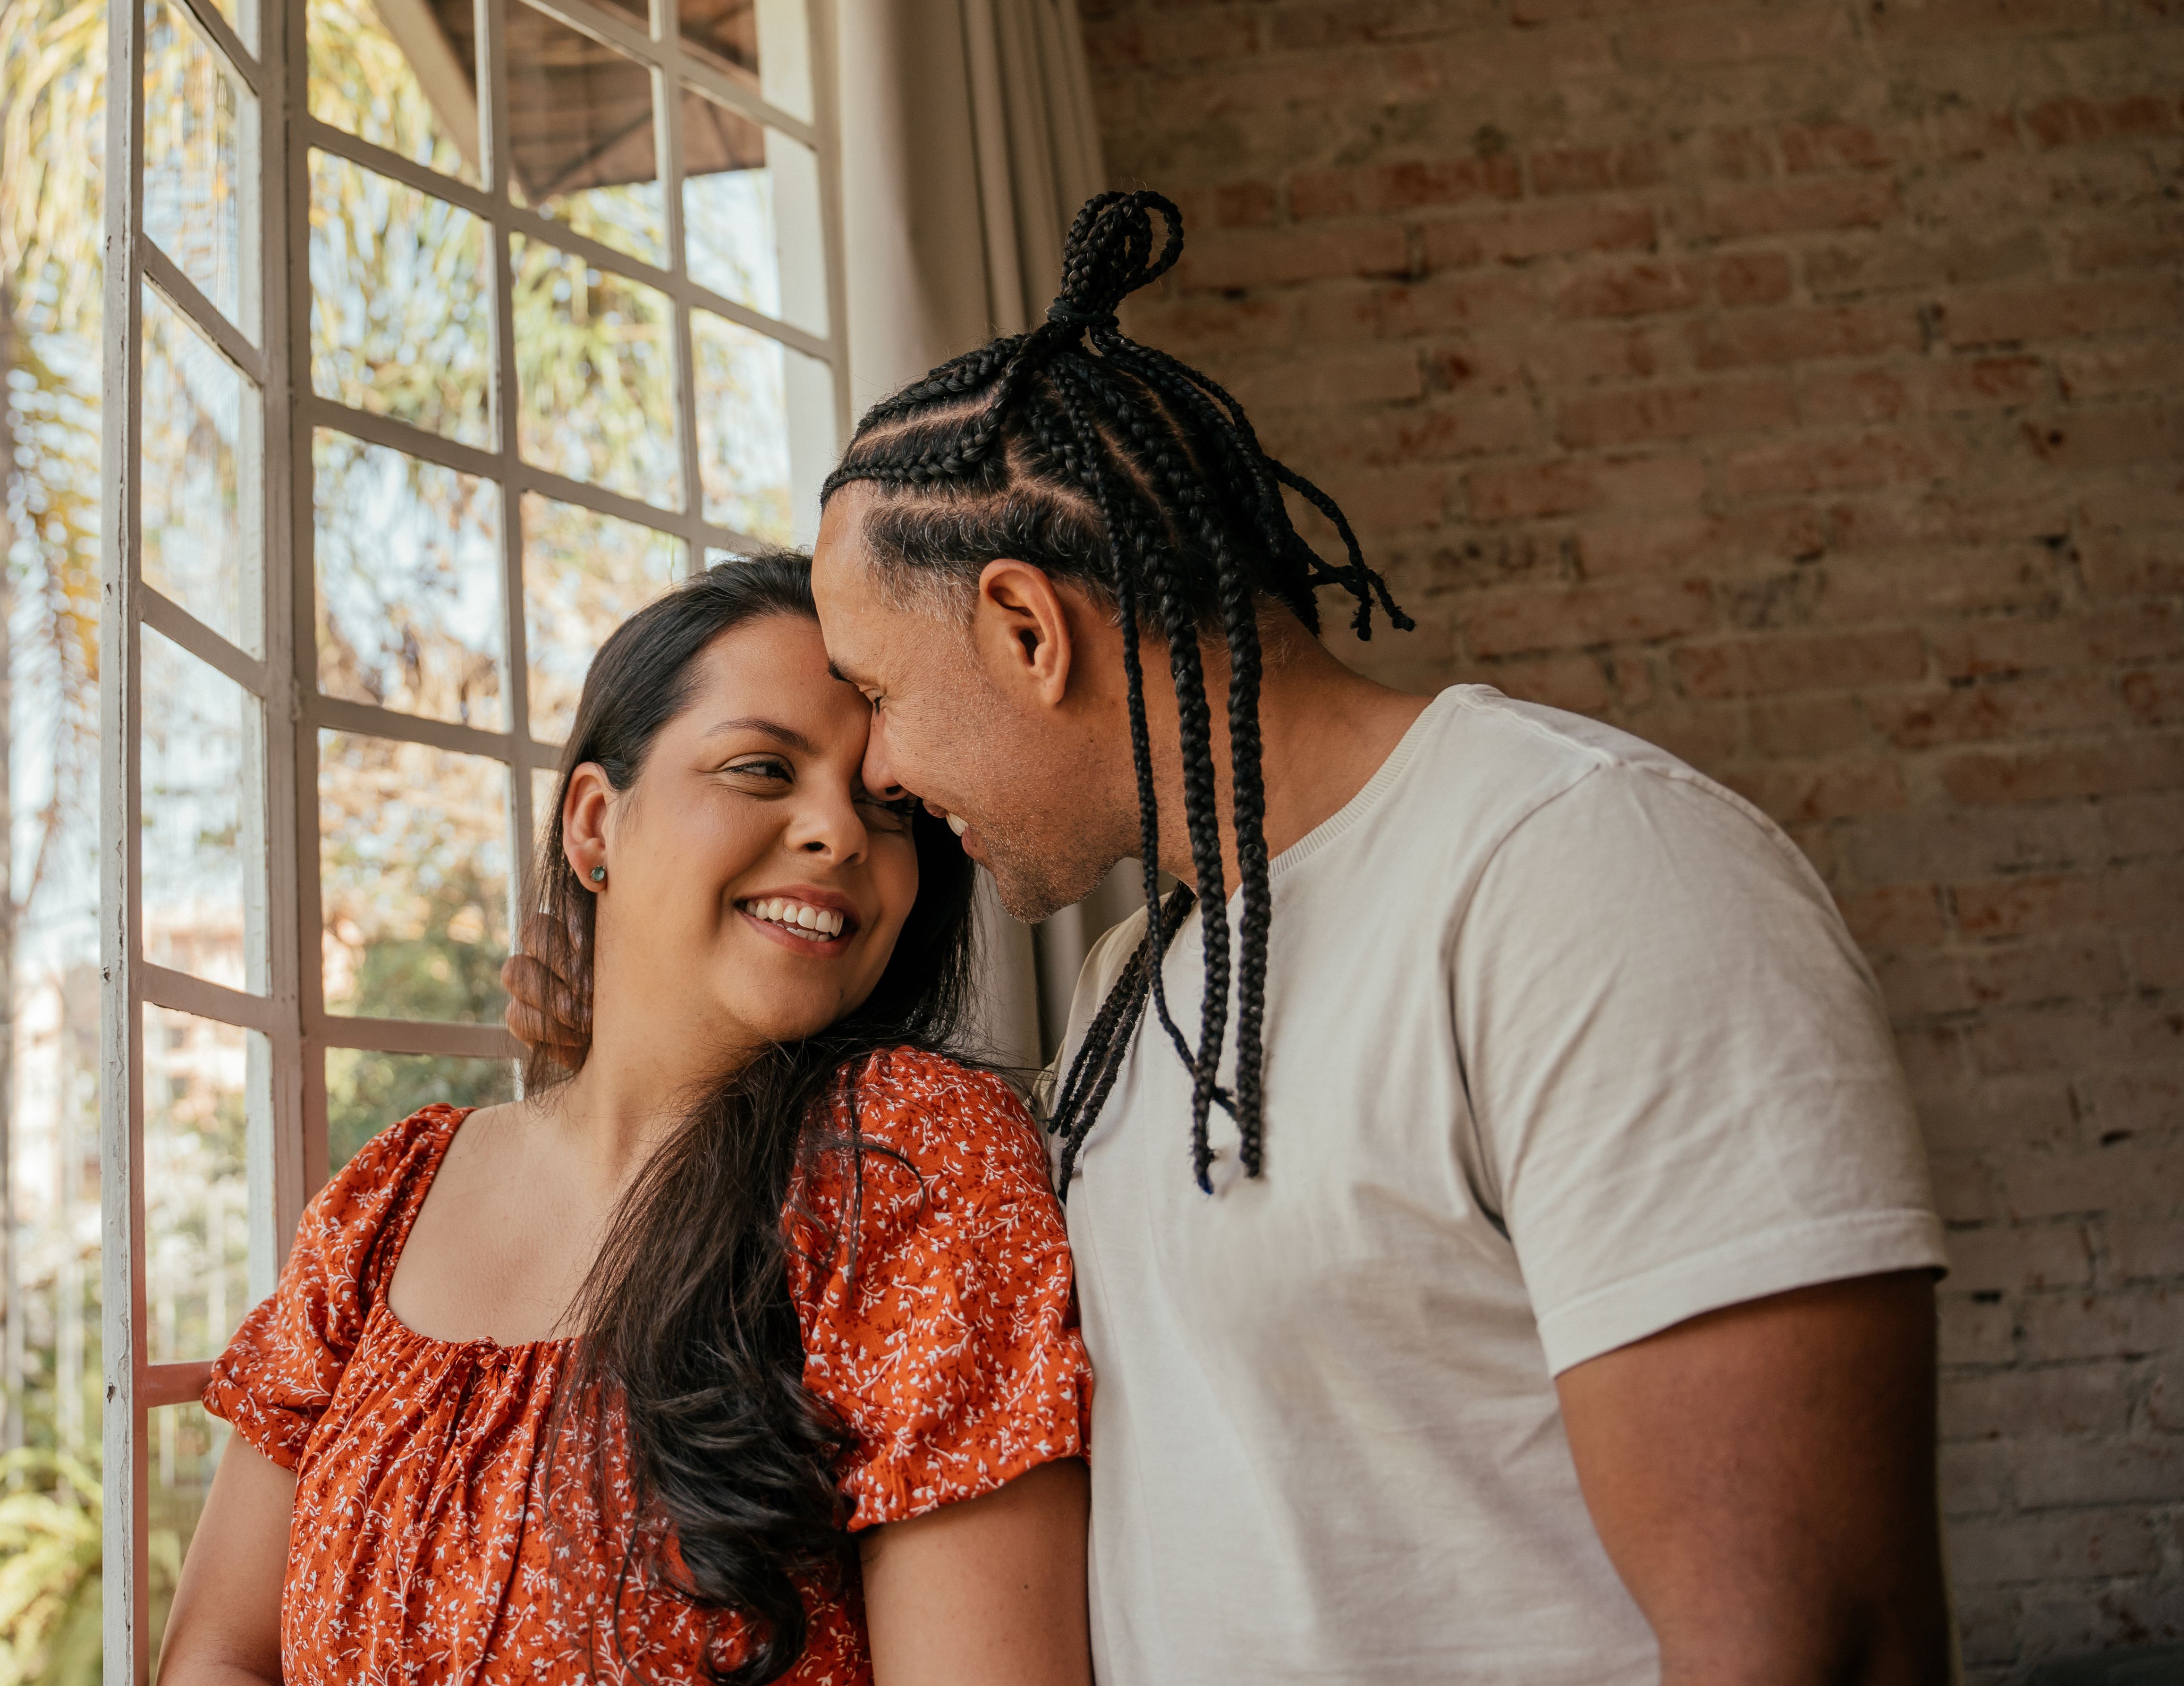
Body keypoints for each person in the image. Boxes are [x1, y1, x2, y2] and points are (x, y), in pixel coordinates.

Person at [510, 194, 1955, 1683]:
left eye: (878, 691)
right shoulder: (1136, 978)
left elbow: (1825, 1638)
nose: (874, 774)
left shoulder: (1584, 873)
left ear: (1027, 630)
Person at [159, 553, 1095, 1686]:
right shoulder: (391, 1198)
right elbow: (216, 1651)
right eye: (762, 769)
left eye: (888, 806)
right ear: (597, 822)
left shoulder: (908, 1161)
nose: (841, 833)